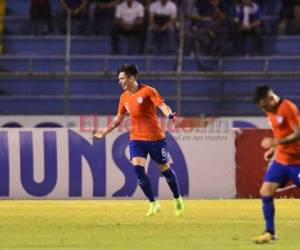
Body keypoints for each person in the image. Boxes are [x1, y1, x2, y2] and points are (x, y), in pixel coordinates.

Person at [93, 64, 184, 216]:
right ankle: (153, 203)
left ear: (132, 78)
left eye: (122, 79)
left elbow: (162, 105)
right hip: (136, 139)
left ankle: (177, 199)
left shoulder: (148, 91)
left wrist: (169, 114)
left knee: (164, 170)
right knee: (138, 170)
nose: (120, 82)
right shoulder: (124, 98)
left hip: (155, 138)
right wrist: (104, 132)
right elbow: (118, 119)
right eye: (119, 79)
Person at [252, 84, 300, 243]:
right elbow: (281, 133)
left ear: (270, 99)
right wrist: (275, 149)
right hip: (281, 160)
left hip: (297, 161)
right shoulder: (270, 112)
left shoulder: (288, 108)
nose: (264, 109)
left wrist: (275, 142)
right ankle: (270, 232)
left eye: (264, 105)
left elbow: (298, 133)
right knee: (266, 190)